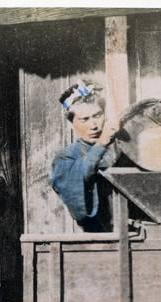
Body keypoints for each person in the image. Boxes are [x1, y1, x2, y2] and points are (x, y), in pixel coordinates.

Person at [51, 80, 120, 232]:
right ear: (71, 124)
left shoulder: (122, 147)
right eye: (85, 119)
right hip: (97, 237)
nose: (93, 125)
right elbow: (79, 179)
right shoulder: (65, 157)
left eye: (97, 115)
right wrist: (101, 145)